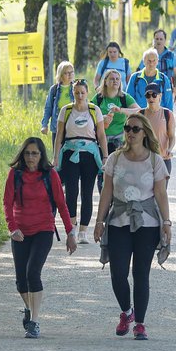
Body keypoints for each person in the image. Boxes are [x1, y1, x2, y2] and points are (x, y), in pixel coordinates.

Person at [94, 114, 171, 341]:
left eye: (135, 129)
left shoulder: (155, 160)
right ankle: (127, 312)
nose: (130, 132)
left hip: (146, 223)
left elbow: (160, 193)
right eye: (127, 128)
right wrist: (99, 222)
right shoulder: (115, 159)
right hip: (118, 220)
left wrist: (166, 223)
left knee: (140, 274)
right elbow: (106, 192)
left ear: (145, 132)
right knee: (117, 273)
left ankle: (140, 323)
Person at [3, 138, 78, 339]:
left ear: (41, 155)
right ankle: (29, 308)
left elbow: (62, 205)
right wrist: (12, 228)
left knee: (32, 273)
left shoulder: (49, 175)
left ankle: (34, 322)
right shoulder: (15, 174)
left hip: (43, 229)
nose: (30, 158)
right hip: (20, 231)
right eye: (27, 153)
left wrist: (70, 233)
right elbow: (7, 203)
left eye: (35, 153)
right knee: (21, 281)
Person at [54, 79, 108, 244]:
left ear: (87, 93)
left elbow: (101, 135)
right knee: (71, 192)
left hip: (90, 154)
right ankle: (72, 227)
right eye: (76, 92)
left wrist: (105, 156)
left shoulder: (94, 110)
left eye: (82, 92)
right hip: (71, 153)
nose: (79, 95)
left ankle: (84, 230)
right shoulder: (66, 110)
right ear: (73, 93)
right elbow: (59, 135)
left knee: (87, 193)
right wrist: (55, 157)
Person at [94, 68, 141, 190]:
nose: (115, 81)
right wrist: (102, 118)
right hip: (101, 142)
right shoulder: (98, 98)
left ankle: (117, 203)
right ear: (105, 82)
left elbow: (139, 111)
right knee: (102, 173)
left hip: (120, 142)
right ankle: (105, 201)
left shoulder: (124, 98)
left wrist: (121, 110)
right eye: (111, 79)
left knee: (119, 174)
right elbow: (89, 113)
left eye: (117, 79)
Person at [139, 82, 176, 175]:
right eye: (148, 95)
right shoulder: (140, 114)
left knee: (162, 189)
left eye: (154, 95)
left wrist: (169, 149)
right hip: (144, 161)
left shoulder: (168, 114)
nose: (151, 98)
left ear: (160, 96)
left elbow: (172, 136)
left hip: (163, 159)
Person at [136, 30, 176, 101]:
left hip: (166, 92)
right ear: (154, 40)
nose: (159, 41)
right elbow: (139, 73)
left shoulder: (171, 56)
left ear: (165, 40)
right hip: (149, 92)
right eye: (157, 39)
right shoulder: (148, 54)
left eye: (161, 39)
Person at [41, 61, 75, 145]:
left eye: (71, 72)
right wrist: (44, 125)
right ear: (61, 75)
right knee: (57, 154)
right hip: (57, 127)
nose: (70, 75)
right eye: (66, 73)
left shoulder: (77, 88)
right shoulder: (54, 89)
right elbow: (48, 108)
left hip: (73, 127)